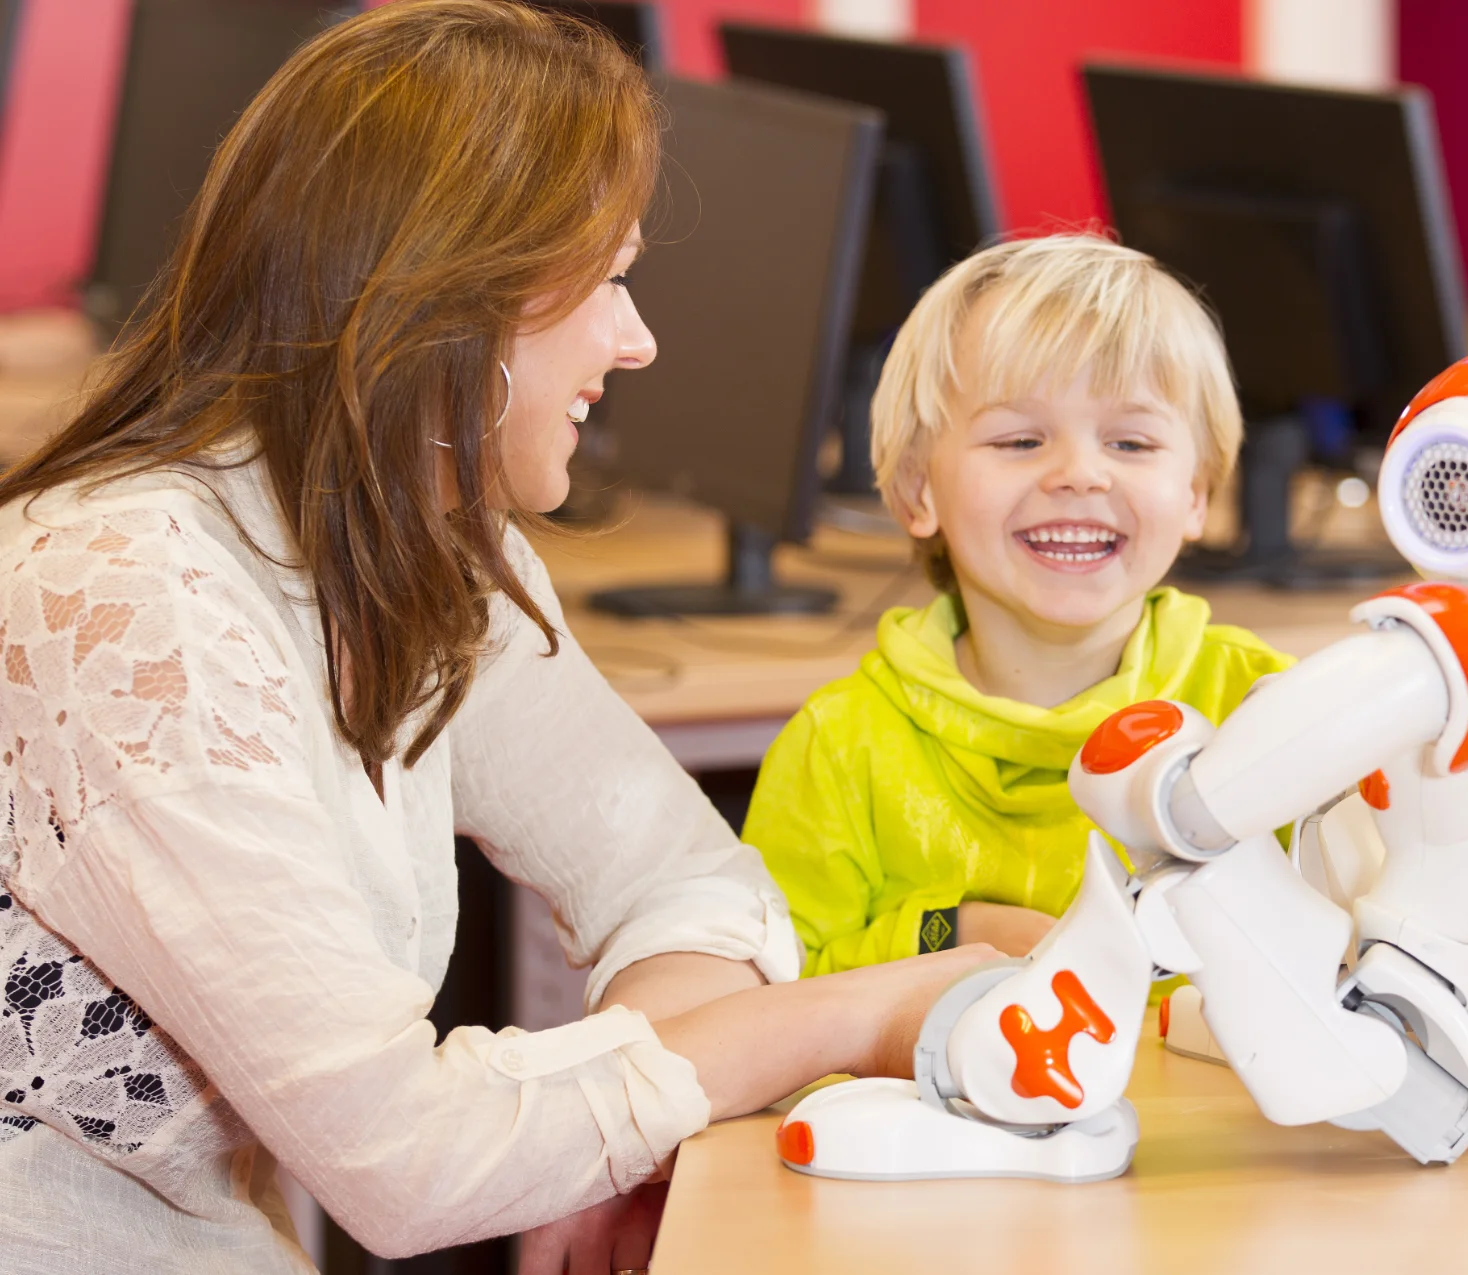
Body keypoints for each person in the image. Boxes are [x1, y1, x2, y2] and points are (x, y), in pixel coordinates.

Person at [0, 5, 991, 1273]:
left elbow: (679, 880)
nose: (636, 340)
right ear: (451, 297)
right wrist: (862, 1013)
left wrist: (603, 1123)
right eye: (611, 278)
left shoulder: (424, 549)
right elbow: (412, 1167)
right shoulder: (132, 605)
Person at [745, 234, 1292, 975]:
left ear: (1196, 493)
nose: (1079, 473)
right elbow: (776, 1000)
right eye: (1020, 439)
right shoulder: (838, 749)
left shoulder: (1271, 714)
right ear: (917, 491)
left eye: (1131, 443)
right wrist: (947, 931)